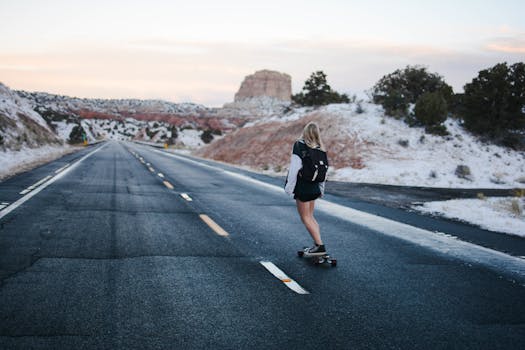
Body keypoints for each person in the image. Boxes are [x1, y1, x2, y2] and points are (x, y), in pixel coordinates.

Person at [284, 122, 327, 256]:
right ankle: (317, 245)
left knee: (305, 218)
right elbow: (324, 172)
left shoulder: (299, 145)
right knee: (310, 217)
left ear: (305, 132)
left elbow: (294, 169)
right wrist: (321, 190)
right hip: (314, 187)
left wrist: (289, 188)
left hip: (303, 187)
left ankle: (320, 246)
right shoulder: (320, 148)